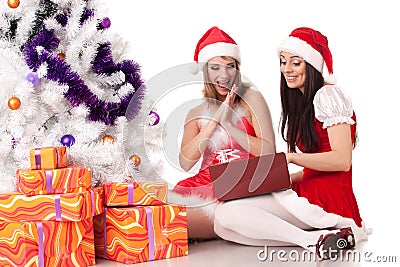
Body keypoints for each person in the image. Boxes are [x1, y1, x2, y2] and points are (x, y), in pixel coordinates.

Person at [214, 27, 369, 259]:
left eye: (296, 63)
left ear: (312, 65)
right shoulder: (302, 101)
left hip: (329, 197)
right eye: (283, 62)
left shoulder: (328, 96)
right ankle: (322, 238)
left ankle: (314, 239)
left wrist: (292, 157)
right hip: (310, 188)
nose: (287, 69)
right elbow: (311, 170)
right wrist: (272, 180)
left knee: (227, 214)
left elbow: (342, 160)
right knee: (222, 227)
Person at [171, 26, 276, 239]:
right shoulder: (196, 112)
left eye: (230, 67)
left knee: (171, 225)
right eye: (215, 67)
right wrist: (215, 119)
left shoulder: (251, 99)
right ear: (205, 70)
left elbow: (269, 152)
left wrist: (229, 126)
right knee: (157, 211)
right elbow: (186, 162)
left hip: (240, 185)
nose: (224, 75)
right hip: (201, 184)